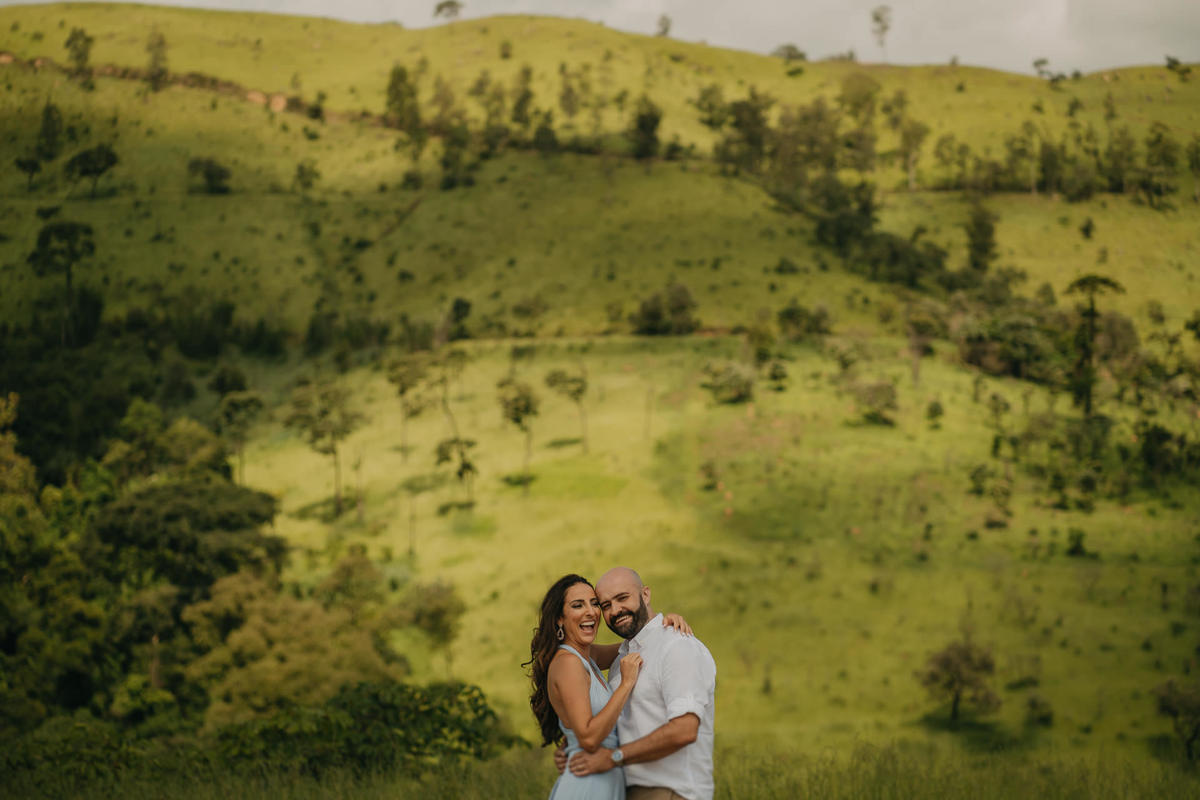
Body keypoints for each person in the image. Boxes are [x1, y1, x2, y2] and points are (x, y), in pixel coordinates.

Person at [527, 574, 694, 800]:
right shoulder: (568, 663)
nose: (591, 612)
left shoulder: (587, 655)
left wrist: (663, 625)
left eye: (595, 603)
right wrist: (625, 685)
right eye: (578, 605)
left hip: (606, 782)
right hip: (588, 785)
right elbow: (588, 739)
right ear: (559, 618)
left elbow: (641, 644)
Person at [565, 567, 717, 800]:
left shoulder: (677, 647)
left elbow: (684, 730)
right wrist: (576, 751)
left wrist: (613, 757)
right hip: (627, 790)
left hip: (672, 792)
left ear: (645, 595)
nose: (616, 610)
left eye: (622, 598)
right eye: (606, 606)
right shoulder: (621, 661)